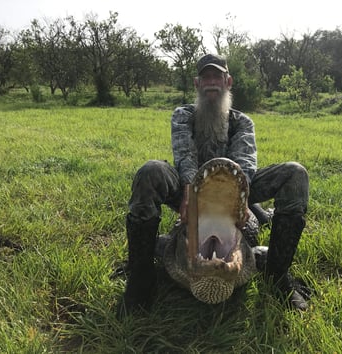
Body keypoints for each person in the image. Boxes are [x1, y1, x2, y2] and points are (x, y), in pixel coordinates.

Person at [121, 54, 309, 314]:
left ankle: (278, 275)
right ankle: (140, 276)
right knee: (151, 171)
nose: (212, 82)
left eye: (217, 77)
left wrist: (240, 200)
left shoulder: (242, 121)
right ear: (197, 84)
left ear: (228, 81)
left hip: (234, 191)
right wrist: (189, 191)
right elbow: (184, 154)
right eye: (206, 77)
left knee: (295, 174)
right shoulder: (183, 115)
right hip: (189, 191)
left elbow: (244, 161)